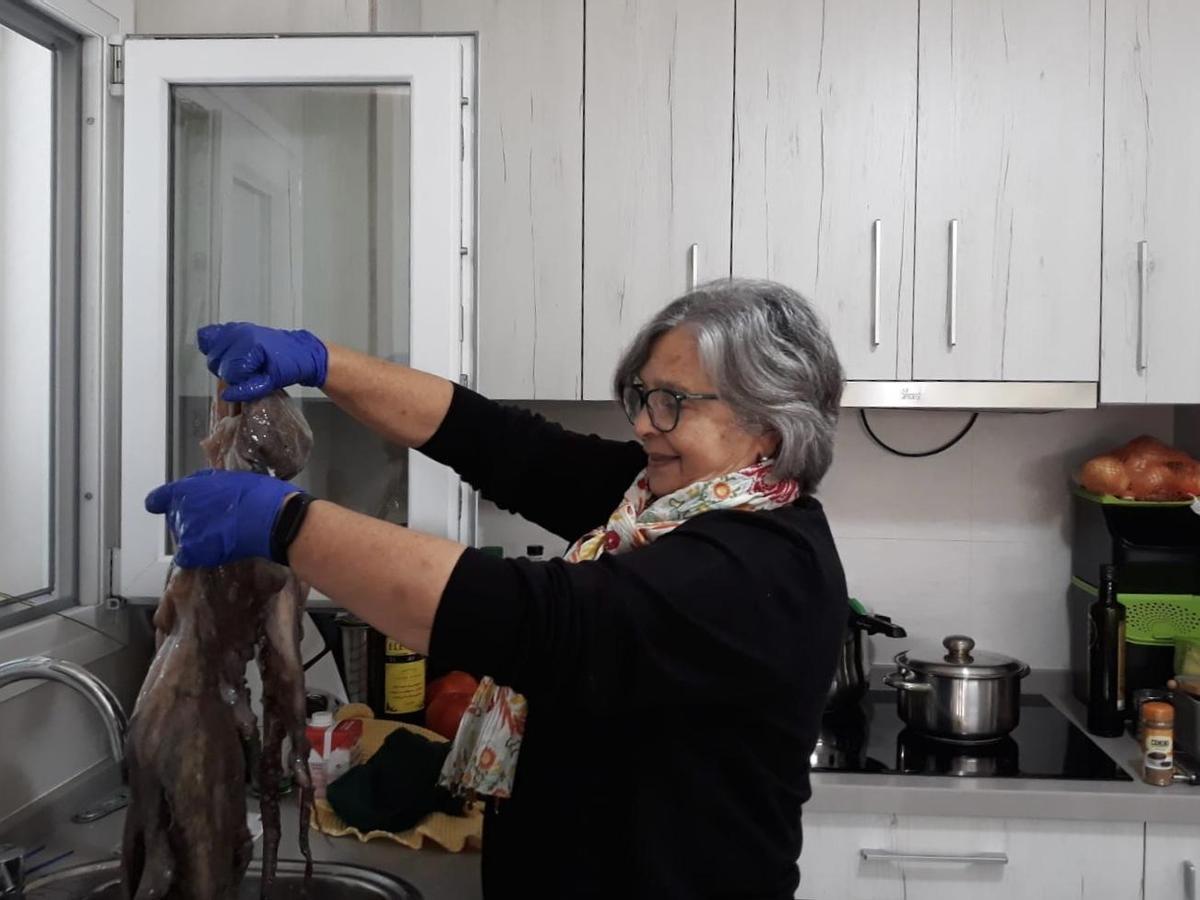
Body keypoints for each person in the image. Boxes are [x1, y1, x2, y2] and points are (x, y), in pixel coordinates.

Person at [145, 277, 849, 899]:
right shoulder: (653, 505)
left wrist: (285, 524)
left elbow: (529, 621)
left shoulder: (762, 567)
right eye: (641, 395)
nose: (642, 422)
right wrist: (323, 361)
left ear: (767, 427)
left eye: (672, 403)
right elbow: (501, 443)